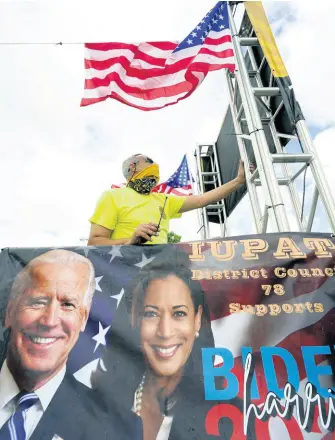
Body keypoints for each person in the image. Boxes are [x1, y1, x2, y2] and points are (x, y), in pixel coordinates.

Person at [93, 248, 242, 439]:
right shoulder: (101, 400)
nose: (165, 332)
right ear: (136, 321)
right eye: (151, 314)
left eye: (179, 313)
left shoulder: (228, 414)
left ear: (197, 320)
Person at [0, 250, 142, 440]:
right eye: (37, 301)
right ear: (10, 311)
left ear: (83, 318)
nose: (49, 321)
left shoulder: (120, 429)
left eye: (68, 305)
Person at [88, 153, 252, 245]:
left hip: (161, 273)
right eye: (149, 163)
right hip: (125, 272)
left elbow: (203, 199)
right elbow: (94, 242)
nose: (155, 168)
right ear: (132, 167)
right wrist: (130, 241)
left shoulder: (164, 199)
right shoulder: (112, 196)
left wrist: (238, 181)